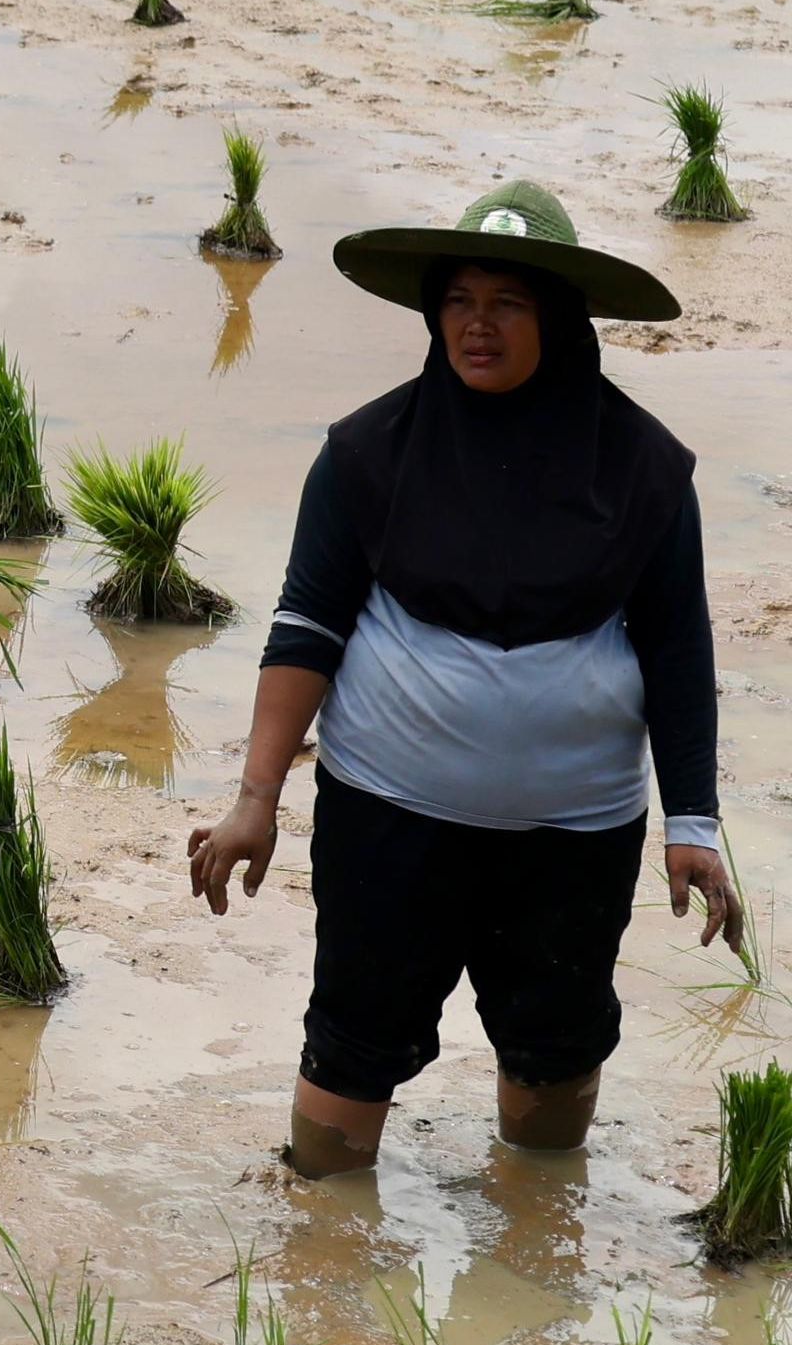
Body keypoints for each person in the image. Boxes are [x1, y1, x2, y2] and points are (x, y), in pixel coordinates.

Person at [189, 182, 734, 1178]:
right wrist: (253, 798)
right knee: (351, 1045)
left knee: (553, 1059)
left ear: (559, 319)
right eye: (457, 300)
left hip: (573, 838)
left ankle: (534, 1236)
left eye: (507, 303)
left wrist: (690, 824)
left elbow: (674, 648)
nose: (475, 324)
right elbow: (304, 626)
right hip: (387, 820)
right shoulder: (366, 454)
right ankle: (325, 1267)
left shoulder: (642, 470)